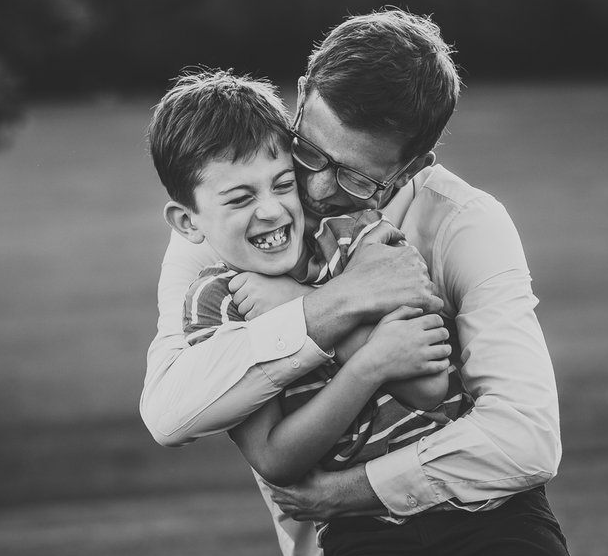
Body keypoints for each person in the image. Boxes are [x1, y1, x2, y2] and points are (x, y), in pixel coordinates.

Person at [141, 9, 586, 556]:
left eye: (357, 179)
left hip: (488, 518)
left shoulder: (456, 227)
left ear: (410, 167)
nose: (316, 191)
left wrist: (342, 491)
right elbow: (170, 413)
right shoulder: (226, 228)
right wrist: (326, 307)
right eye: (309, 152)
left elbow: (525, 441)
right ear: (300, 99)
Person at [148, 69, 470, 492]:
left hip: (452, 487)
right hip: (359, 530)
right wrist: (369, 364)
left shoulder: (358, 236)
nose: (271, 210)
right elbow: (273, 459)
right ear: (187, 222)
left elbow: (430, 387)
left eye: (284, 185)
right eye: (241, 199)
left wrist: (295, 303)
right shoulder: (216, 301)